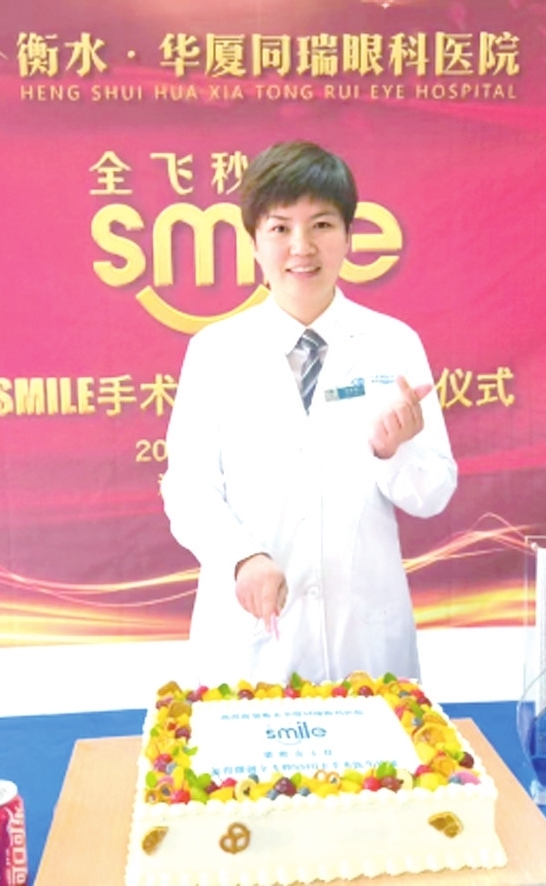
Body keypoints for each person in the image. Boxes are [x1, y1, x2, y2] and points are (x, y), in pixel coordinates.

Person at [160, 141, 457, 685]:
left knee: (376, 743)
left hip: (364, 642)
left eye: (321, 225)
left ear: (348, 236)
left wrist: (393, 452)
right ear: (254, 242)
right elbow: (188, 490)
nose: (302, 247)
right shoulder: (215, 351)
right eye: (280, 228)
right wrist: (242, 557)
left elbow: (432, 493)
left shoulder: (393, 343)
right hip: (253, 644)